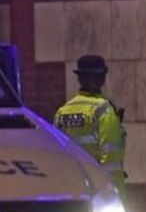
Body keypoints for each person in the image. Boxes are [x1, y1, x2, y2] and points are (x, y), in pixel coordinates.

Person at [54, 55, 127, 199]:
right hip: (98, 193)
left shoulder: (62, 112)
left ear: (79, 79)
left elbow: (56, 156)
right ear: (103, 79)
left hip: (71, 193)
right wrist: (116, 197)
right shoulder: (103, 109)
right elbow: (111, 162)